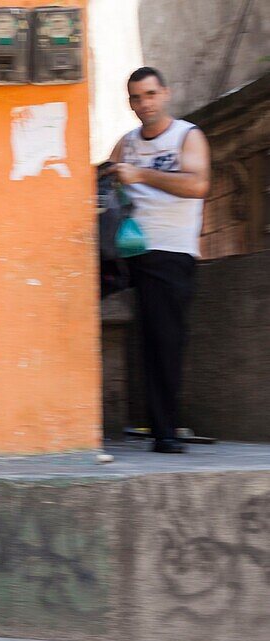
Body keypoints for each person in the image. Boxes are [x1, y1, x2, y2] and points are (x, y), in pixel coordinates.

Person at [109, 67, 210, 454]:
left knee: (163, 341)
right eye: (136, 97)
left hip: (169, 251)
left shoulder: (187, 136)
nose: (144, 104)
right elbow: (105, 180)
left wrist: (142, 175)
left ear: (165, 94)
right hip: (125, 251)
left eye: (150, 95)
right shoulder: (127, 142)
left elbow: (198, 184)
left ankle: (164, 431)